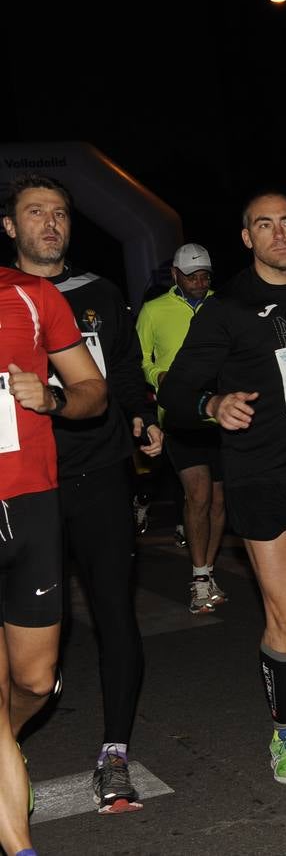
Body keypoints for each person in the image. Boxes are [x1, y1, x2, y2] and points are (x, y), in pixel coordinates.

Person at [159, 190, 286, 782]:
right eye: (264, 225)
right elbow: (174, 393)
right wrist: (212, 401)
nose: (279, 234)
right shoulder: (226, 309)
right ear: (246, 238)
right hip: (261, 478)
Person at [6, 174, 162, 814]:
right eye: (34, 213)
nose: (50, 223)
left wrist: (144, 414)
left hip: (96, 472)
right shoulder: (8, 298)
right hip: (23, 486)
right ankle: (10, 750)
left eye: (60, 213)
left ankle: (115, 752)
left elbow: (121, 369)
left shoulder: (98, 293)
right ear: (11, 227)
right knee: (31, 647)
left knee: (112, 611)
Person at [1, 263, 107, 856]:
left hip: (32, 509)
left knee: (37, 681)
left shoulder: (32, 295)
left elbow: (93, 395)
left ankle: (5, 751)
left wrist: (53, 397)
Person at [136, 242, 228, 613]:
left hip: (223, 415)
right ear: (175, 275)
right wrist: (158, 376)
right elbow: (139, 358)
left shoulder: (223, 306)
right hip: (178, 416)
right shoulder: (154, 310)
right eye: (191, 276)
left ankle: (208, 568)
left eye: (205, 275)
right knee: (198, 495)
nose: (199, 282)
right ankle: (200, 576)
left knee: (220, 502)